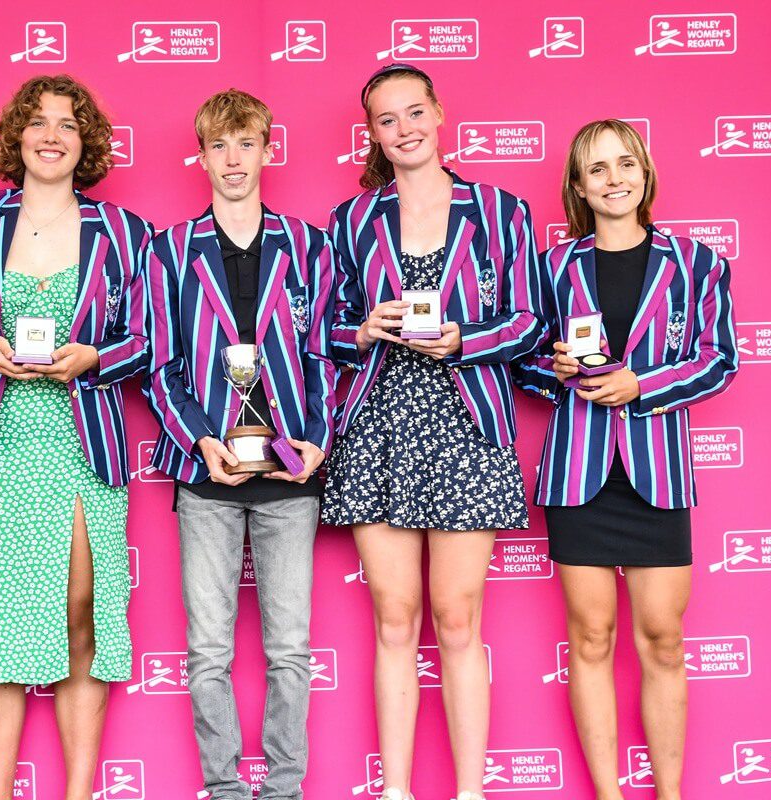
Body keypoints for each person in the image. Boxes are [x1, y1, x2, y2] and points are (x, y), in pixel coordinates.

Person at [322, 64, 543, 800]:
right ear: (373, 135)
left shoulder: (501, 210)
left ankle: (470, 790)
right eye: (388, 120)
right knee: (393, 616)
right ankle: (395, 791)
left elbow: (530, 320)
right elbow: (323, 327)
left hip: (467, 424)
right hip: (381, 422)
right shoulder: (353, 219)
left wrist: (464, 340)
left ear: (440, 114)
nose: (405, 129)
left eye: (415, 112)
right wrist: (362, 328)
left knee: (456, 616)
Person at [0, 74, 153, 800]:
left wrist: (96, 358)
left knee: (80, 610)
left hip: (81, 438)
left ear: (85, 142)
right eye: (38, 122)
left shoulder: (123, 233)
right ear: (17, 136)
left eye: (67, 123)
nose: (52, 135)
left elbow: (150, 341)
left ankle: (78, 791)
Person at [514, 119, 738, 800]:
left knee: (664, 639)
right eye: (597, 169)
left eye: (625, 163)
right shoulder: (555, 268)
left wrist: (644, 383)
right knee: (590, 638)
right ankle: (608, 795)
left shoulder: (698, 263)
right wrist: (552, 371)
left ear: (644, 172)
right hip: (578, 473)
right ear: (578, 187)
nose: (615, 179)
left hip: (657, 472)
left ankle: (669, 794)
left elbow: (719, 360)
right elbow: (523, 361)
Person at [143, 88, 336, 800]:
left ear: (268, 150)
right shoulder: (168, 250)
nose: (232, 159)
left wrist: (316, 438)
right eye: (219, 145)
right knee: (209, 651)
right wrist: (200, 440)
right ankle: (223, 789)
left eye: (245, 143)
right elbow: (159, 367)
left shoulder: (309, 245)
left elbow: (322, 358)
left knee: (289, 649)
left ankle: (285, 788)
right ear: (200, 155)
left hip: (290, 473)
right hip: (206, 477)